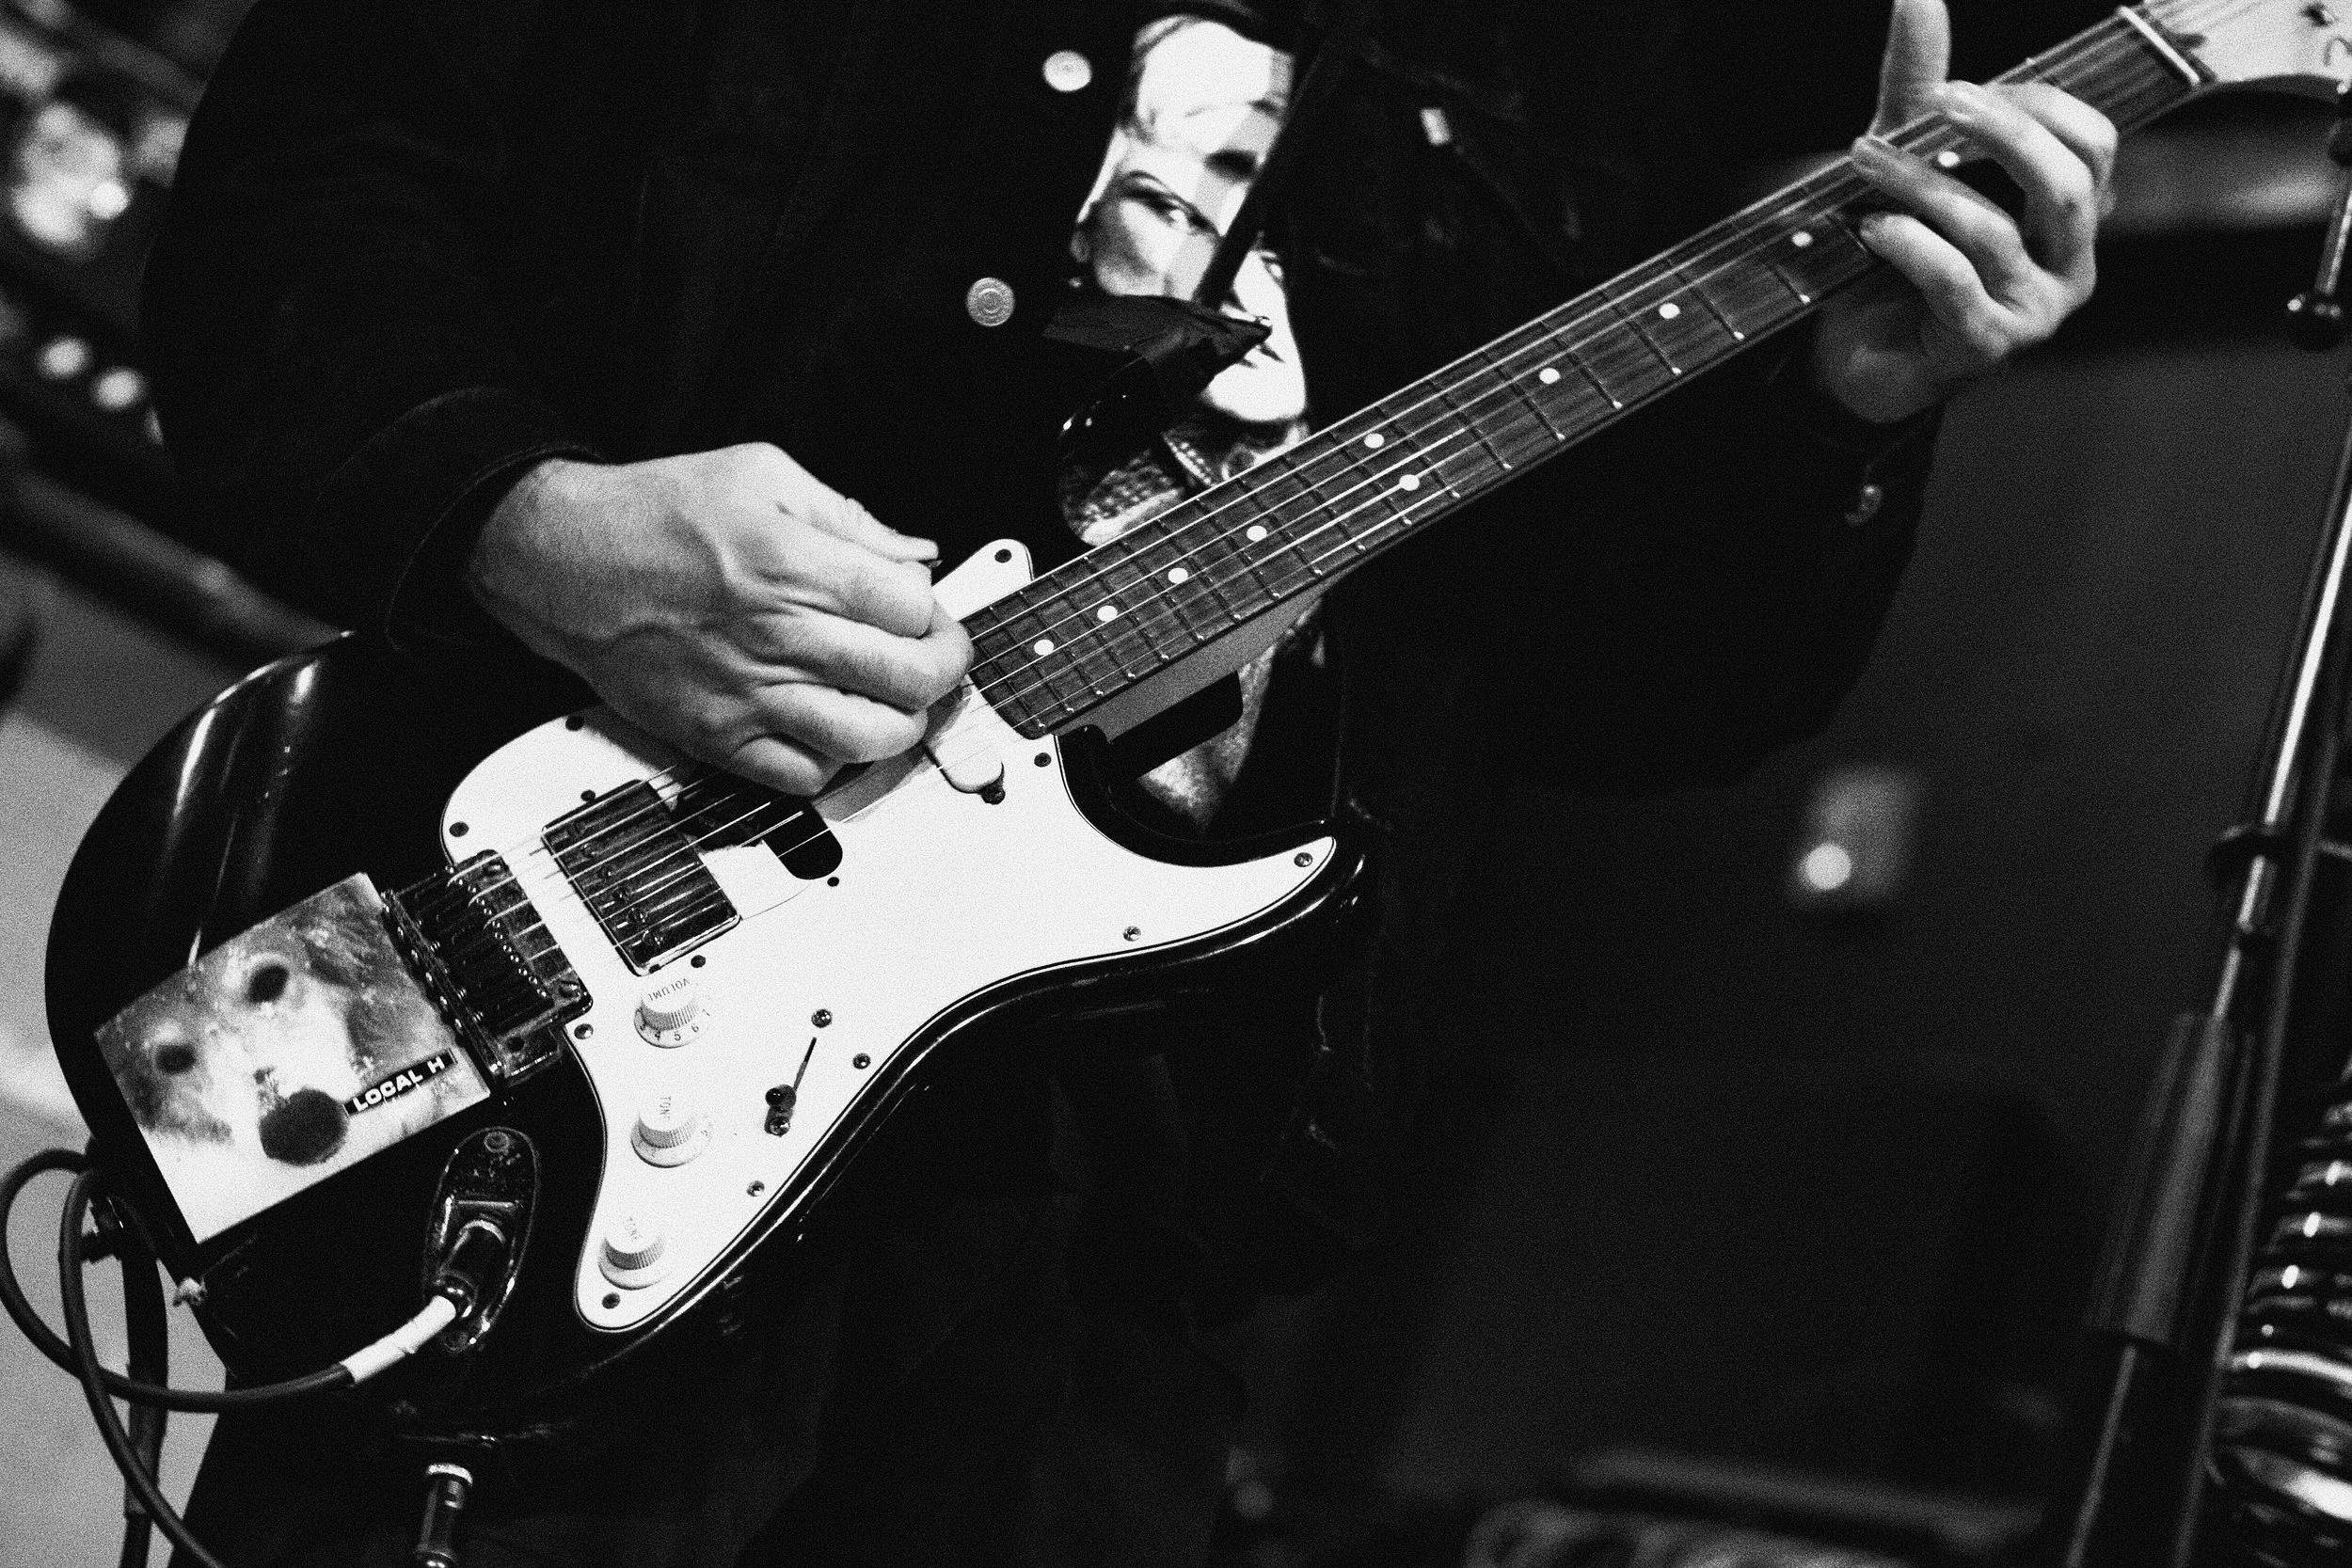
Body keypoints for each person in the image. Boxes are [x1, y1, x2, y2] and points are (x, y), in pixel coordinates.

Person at [135, 0, 2114, 1562]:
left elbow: (1632, 695)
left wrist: (1830, 420)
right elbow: (290, 201)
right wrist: (526, 519)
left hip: (1131, 1203)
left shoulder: (1595, 47)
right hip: (522, 959)